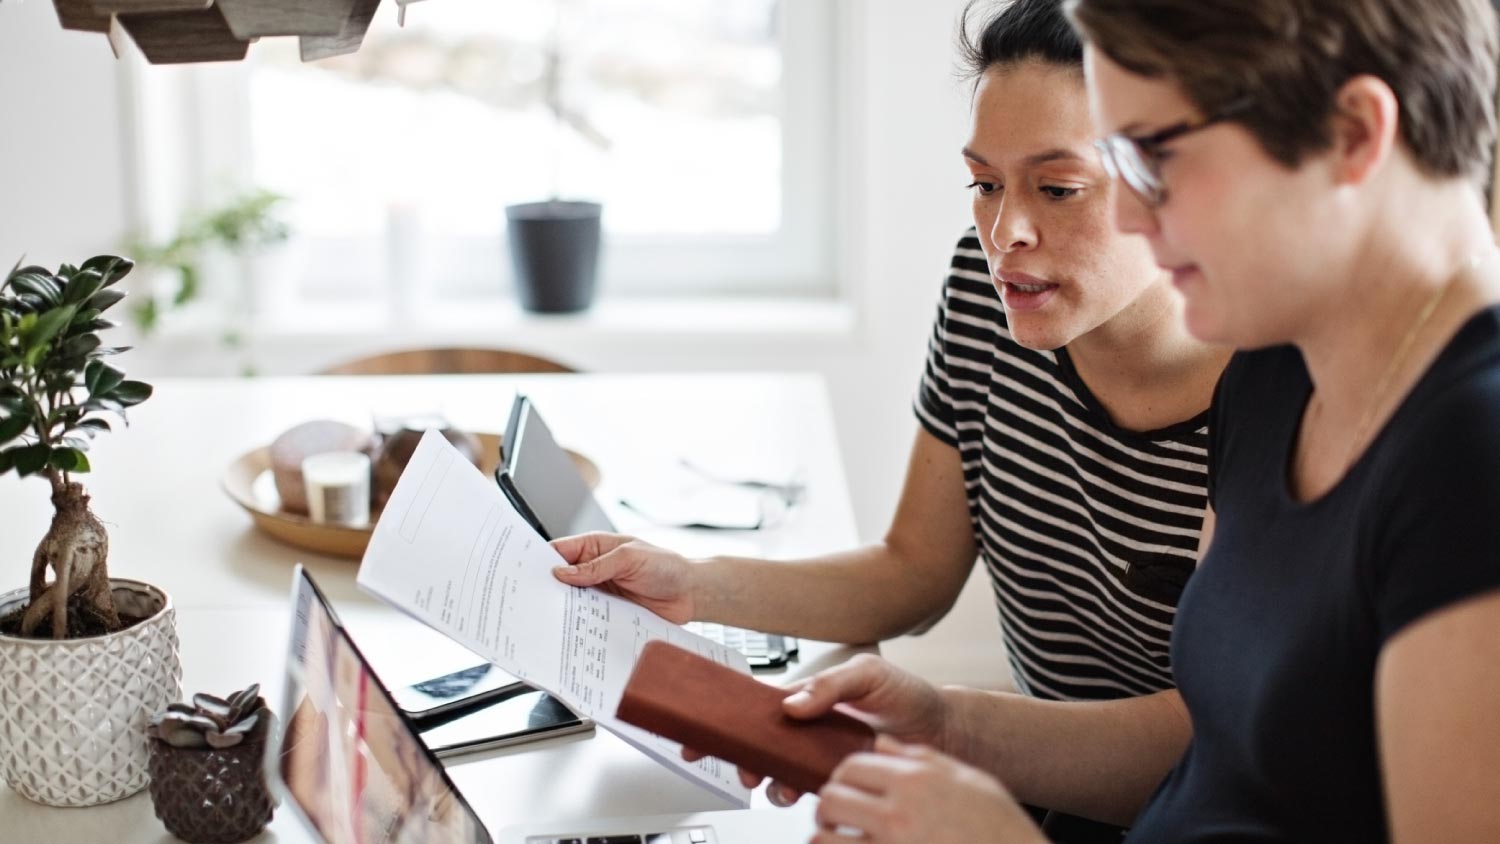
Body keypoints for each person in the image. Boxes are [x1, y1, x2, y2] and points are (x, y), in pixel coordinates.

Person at [725, 0, 1500, 842]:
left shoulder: (1472, 454)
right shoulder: (1277, 369)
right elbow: (1213, 760)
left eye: (1159, 157)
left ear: (1352, 135)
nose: (1133, 213)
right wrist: (945, 728)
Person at [555, 0, 1225, 751]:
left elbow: (1212, 744)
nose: (1006, 235)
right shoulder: (987, 287)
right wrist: (695, 583)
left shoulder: (1271, 384)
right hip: (1037, 797)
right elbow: (913, 571)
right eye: (985, 184)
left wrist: (942, 726)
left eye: (1057, 188)